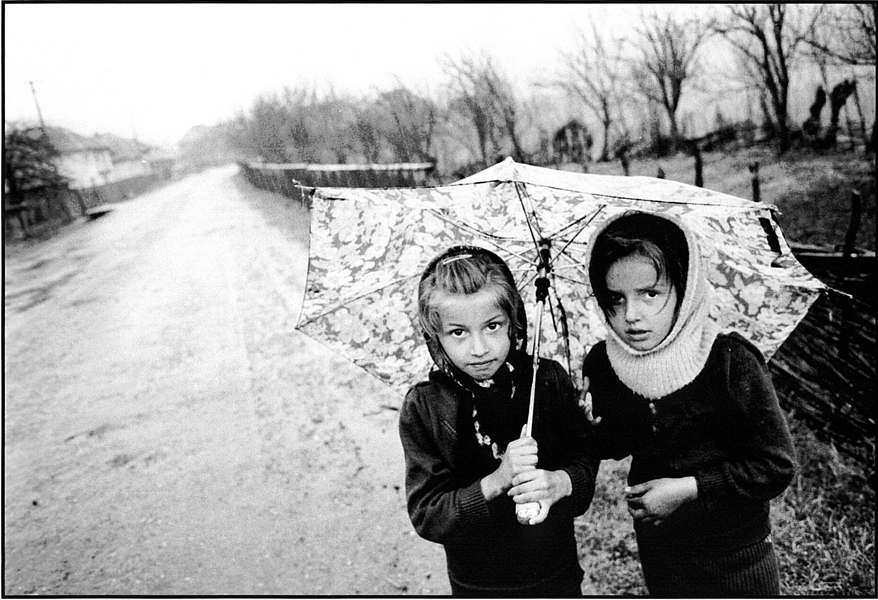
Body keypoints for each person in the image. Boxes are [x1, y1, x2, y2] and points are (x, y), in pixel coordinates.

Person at [580, 211, 797, 596]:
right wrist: (593, 426)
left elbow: (775, 465)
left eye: (651, 294)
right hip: (663, 549)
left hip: (736, 553)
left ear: (685, 286)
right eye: (615, 299)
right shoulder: (605, 361)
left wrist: (689, 488)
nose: (632, 316)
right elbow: (620, 442)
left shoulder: (728, 361)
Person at [399, 245, 598, 597]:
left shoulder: (546, 380)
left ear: (514, 323)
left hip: (557, 575)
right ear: (436, 338)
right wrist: (496, 482)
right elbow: (428, 513)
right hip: (478, 584)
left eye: (493, 326)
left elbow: (583, 460)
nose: (479, 348)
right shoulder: (424, 407)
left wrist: (562, 482)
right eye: (458, 332)